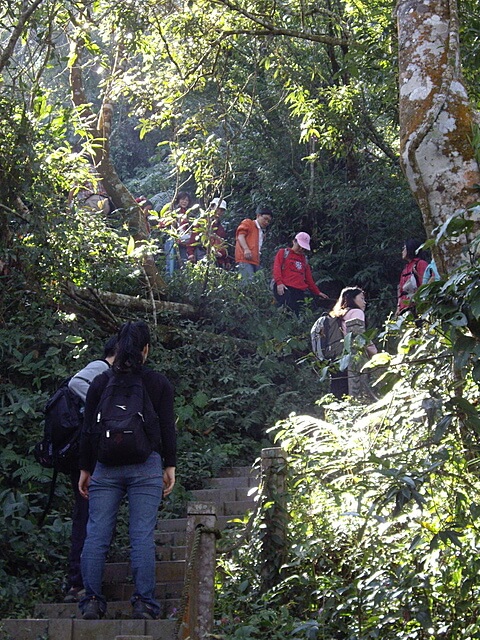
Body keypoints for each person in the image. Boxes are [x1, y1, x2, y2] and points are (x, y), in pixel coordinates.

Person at [78, 321, 176, 621]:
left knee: (96, 534)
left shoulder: (100, 383)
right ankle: (144, 603)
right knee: (141, 536)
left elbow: (88, 430)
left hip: (105, 466)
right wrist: (169, 465)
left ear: (118, 348)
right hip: (145, 465)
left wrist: (85, 468)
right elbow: (167, 428)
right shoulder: (158, 383)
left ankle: (92, 601)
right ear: (146, 349)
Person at [63, 336, 117, 603]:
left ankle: (81, 580)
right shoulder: (100, 368)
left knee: (86, 515)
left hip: (88, 453)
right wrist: (101, 407)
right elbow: (75, 383)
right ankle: (78, 582)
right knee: (85, 515)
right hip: (84, 456)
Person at [329, 287, 377, 399]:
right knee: (354, 392)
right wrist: (374, 352)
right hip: (351, 358)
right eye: (362, 298)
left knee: (338, 393)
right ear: (352, 299)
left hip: (336, 357)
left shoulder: (338, 314)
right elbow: (359, 337)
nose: (365, 302)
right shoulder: (357, 312)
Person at [272, 232, 328, 314]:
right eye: (299, 246)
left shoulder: (304, 260)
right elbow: (276, 269)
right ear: (294, 242)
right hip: (285, 287)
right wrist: (279, 283)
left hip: (299, 291)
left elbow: (309, 279)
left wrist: (317, 292)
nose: (301, 249)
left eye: (303, 248)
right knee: (284, 311)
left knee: (296, 313)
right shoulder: (283, 253)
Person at [235, 205, 272, 282]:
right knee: (247, 285)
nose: (266, 222)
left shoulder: (260, 231)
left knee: (255, 286)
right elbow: (240, 236)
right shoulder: (248, 223)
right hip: (245, 259)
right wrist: (246, 249)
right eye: (265, 219)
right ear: (258, 216)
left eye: (268, 221)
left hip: (255, 260)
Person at [189, 197, 229, 267]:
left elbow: (222, 244)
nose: (219, 211)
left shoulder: (221, 228)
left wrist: (225, 260)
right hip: (202, 253)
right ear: (212, 207)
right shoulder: (202, 223)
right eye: (218, 208)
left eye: (222, 210)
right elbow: (193, 238)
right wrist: (190, 253)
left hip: (216, 258)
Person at [396, 239, 429, 316]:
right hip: (404, 309)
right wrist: (398, 307)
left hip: (416, 307)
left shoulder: (421, 264)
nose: (402, 251)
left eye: (404, 248)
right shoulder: (406, 268)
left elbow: (424, 285)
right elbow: (401, 291)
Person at [164, 191, 194, 276]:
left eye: (187, 200)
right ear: (178, 200)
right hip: (172, 241)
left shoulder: (189, 214)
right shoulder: (173, 212)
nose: (184, 202)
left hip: (184, 242)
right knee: (171, 263)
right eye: (183, 199)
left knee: (183, 263)